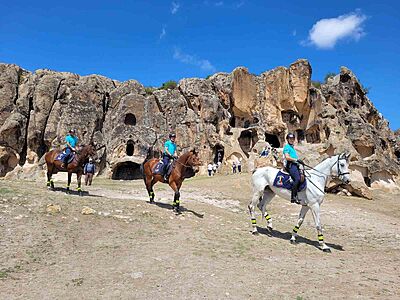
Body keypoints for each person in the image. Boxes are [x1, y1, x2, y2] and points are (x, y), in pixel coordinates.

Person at [283, 133, 303, 205]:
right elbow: (287, 157)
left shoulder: (292, 147)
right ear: (287, 139)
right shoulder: (287, 147)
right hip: (290, 165)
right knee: (297, 179)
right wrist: (296, 160)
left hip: (295, 165)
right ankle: (293, 197)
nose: (291, 140)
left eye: (293, 139)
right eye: (290, 139)